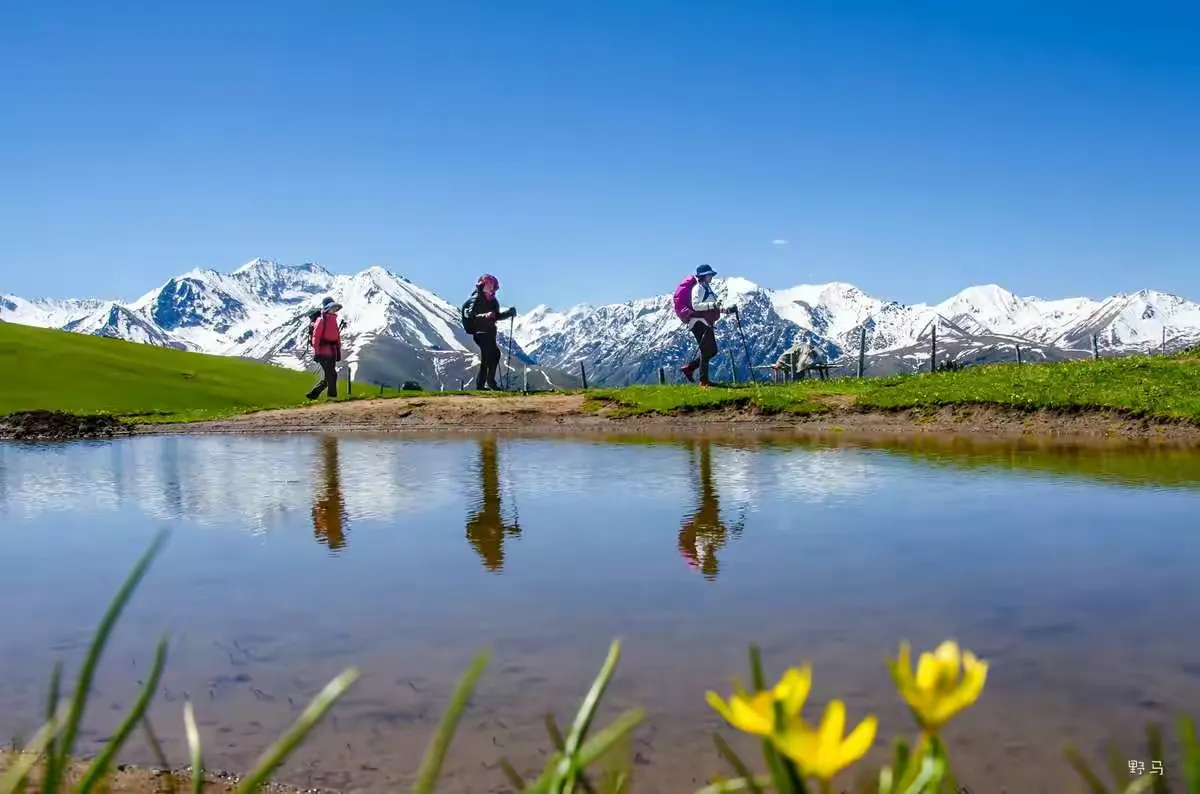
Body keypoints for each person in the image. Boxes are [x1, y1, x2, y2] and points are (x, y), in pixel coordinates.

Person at [674, 264, 738, 387]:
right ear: (703, 276)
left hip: (705, 322)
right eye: (709, 275)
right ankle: (703, 381)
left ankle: (690, 368)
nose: (711, 277)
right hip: (698, 323)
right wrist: (712, 305)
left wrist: (727, 310)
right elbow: (696, 306)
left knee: (712, 351)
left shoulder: (707, 288)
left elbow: (715, 306)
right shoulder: (698, 288)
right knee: (706, 350)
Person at [461, 274, 516, 390]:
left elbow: (496, 316)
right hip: (480, 333)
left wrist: (508, 313)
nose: (492, 288)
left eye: (492, 286)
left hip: (489, 333)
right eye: (489, 285)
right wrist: (485, 316)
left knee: (491, 355)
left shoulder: (492, 301)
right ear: (482, 285)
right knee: (491, 355)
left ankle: (484, 384)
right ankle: (488, 383)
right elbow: (470, 315)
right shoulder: (476, 298)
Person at [306, 297, 343, 400]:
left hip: (332, 353)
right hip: (323, 353)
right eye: (332, 307)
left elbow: (337, 337)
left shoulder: (333, 320)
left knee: (329, 376)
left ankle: (313, 394)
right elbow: (316, 337)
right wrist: (316, 353)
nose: (334, 309)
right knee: (332, 375)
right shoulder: (321, 320)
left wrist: (338, 352)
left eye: (335, 308)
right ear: (327, 308)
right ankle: (332, 398)